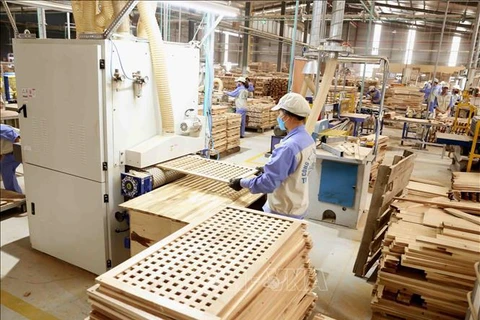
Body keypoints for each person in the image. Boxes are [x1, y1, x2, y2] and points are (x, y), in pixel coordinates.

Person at [228, 92, 316, 219]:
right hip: (298, 204)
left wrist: (241, 183)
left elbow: (268, 183)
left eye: (280, 113)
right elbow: (296, 168)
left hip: (283, 210)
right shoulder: (307, 139)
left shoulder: (288, 147)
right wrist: (271, 170)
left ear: (287, 117)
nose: (278, 117)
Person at [1, 124, 22, 193]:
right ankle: (15, 194)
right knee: (6, 173)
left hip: (20, 147)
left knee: (33, 170)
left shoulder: (2, 129)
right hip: (8, 153)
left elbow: (17, 138)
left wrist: (19, 154)